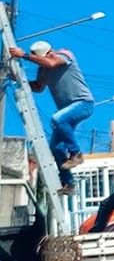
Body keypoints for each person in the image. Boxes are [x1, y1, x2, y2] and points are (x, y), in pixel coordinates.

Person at [9, 41, 95, 195]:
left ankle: (76, 153)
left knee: (57, 119)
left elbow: (52, 63)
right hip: (67, 110)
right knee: (56, 148)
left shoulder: (65, 54)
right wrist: (19, 79)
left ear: (50, 52)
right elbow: (38, 87)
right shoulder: (44, 69)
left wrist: (25, 56)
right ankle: (69, 183)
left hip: (83, 103)